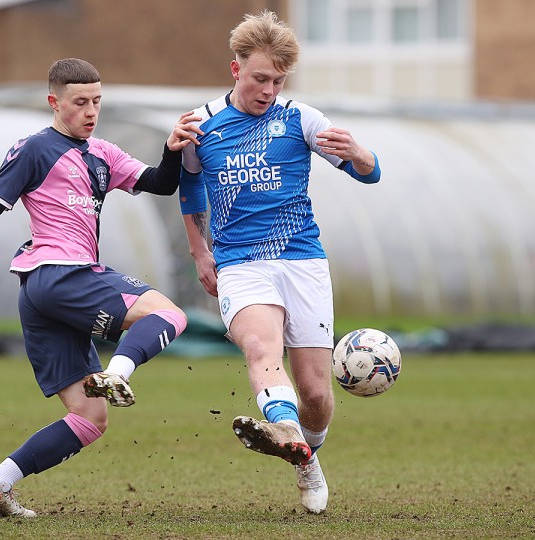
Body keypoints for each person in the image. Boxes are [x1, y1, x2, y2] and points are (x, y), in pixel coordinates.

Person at [0, 58, 200, 518]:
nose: (91, 111)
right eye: (80, 102)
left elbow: (160, 182)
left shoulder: (103, 152)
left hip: (43, 295)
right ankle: (118, 372)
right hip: (61, 273)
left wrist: (172, 148)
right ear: (54, 102)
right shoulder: (35, 148)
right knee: (170, 314)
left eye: (97, 101)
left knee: (89, 418)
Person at [178, 10, 381, 514]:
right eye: (259, 78)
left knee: (315, 390)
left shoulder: (300, 118)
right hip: (241, 263)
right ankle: (284, 429)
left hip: (302, 261)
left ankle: (305, 452)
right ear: (235, 69)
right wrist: (200, 251)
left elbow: (370, 175)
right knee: (259, 346)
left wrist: (359, 152)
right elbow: (188, 189)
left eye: (277, 80)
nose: (268, 89)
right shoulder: (201, 124)